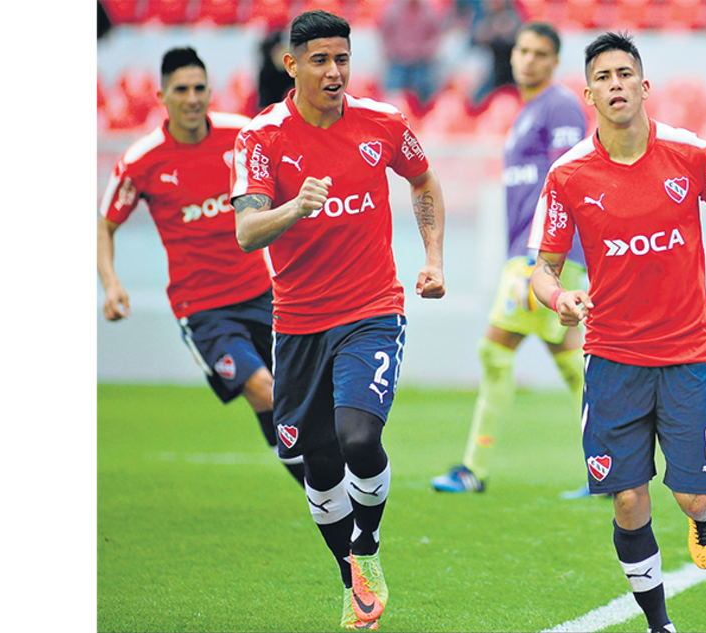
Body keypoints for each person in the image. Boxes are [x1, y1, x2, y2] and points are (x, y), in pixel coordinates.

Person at [230, 11, 446, 631]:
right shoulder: (262, 137)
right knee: (316, 466)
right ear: (290, 63)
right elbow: (246, 232)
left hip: (372, 308)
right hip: (297, 321)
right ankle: (351, 575)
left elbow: (423, 180)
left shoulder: (383, 123)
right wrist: (296, 206)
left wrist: (431, 259)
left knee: (358, 438)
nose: (334, 72)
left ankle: (368, 546)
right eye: (320, 60)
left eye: (342, 59)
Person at [528, 32, 706, 633]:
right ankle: (659, 624)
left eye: (626, 73)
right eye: (604, 76)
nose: (616, 84)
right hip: (612, 359)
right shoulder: (568, 175)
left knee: (697, 500)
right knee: (628, 499)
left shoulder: (693, 154)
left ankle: (705, 518)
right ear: (589, 94)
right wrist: (561, 297)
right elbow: (542, 270)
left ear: (644, 86)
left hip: (685, 354)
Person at [95, 47, 306, 488]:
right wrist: (111, 284)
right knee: (265, 389)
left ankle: (318, 487)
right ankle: (321, 489)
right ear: (162, 96)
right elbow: (105, 225)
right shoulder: (142, 159)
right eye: (181, 90)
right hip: (204, 309)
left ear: (210, 91)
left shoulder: (240, 134)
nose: (192, 98)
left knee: (294, 395)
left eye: (199, 88)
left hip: (265, 293)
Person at [431, 22, 588, 496]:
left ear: (554, 61)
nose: (528, 59)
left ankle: (474, 468)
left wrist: (543, 259)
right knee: (573, 362)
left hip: (542, 258)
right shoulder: (528, 110)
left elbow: (568, 178)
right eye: (523, 50)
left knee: (497, 352)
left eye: (541, 52)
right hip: (531, 254)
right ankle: (613, 465)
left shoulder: (560, 105)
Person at [378, 0, 445, 106]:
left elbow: (435, 35)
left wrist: (426, 51)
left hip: (420, 61)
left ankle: (422, 113)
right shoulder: (394, 10)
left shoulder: (428, 11)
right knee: (392, 94)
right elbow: (385, 32)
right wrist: (391, 50)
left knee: (425, 89)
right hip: (398, 60)